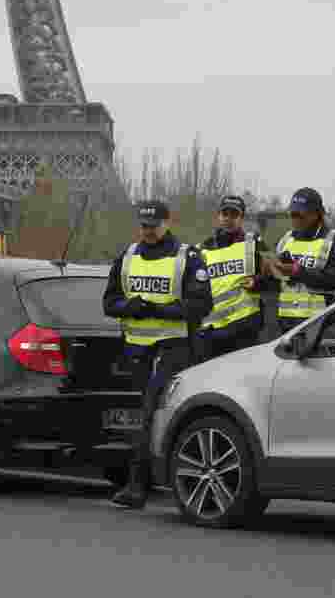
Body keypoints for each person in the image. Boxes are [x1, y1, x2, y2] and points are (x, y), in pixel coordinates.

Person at [103, 200, 212, 509]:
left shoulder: (187, 257)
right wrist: (129, 307)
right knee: (142, 414)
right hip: (136, 349)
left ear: (167, 223)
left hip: (173, 346)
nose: (147, 232)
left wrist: (158, 309)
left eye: (153, 226)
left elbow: (201, 304)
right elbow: (109, 302)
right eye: (143, 226)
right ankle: (145, 481)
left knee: (151, 409)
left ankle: (138, 485)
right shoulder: (127, 257)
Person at [197, 195, 276, 360]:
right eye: (225, 214)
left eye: (234, 215)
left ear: (242, 219)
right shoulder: (202, 249)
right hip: (212, 331)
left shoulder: (255, 243)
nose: (229, 219)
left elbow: (277, 277)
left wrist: (257, 282)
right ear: (218, 216)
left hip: (244, 329)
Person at [268, 188, 335, 333]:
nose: (295, 218)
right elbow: (278, 282)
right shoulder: (286, 239)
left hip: (320, 326)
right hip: (287, 324)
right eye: (292, 213)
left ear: (316, 214)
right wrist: (265, 275)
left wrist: (297, 271)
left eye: (300, 214)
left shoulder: (334, 240)